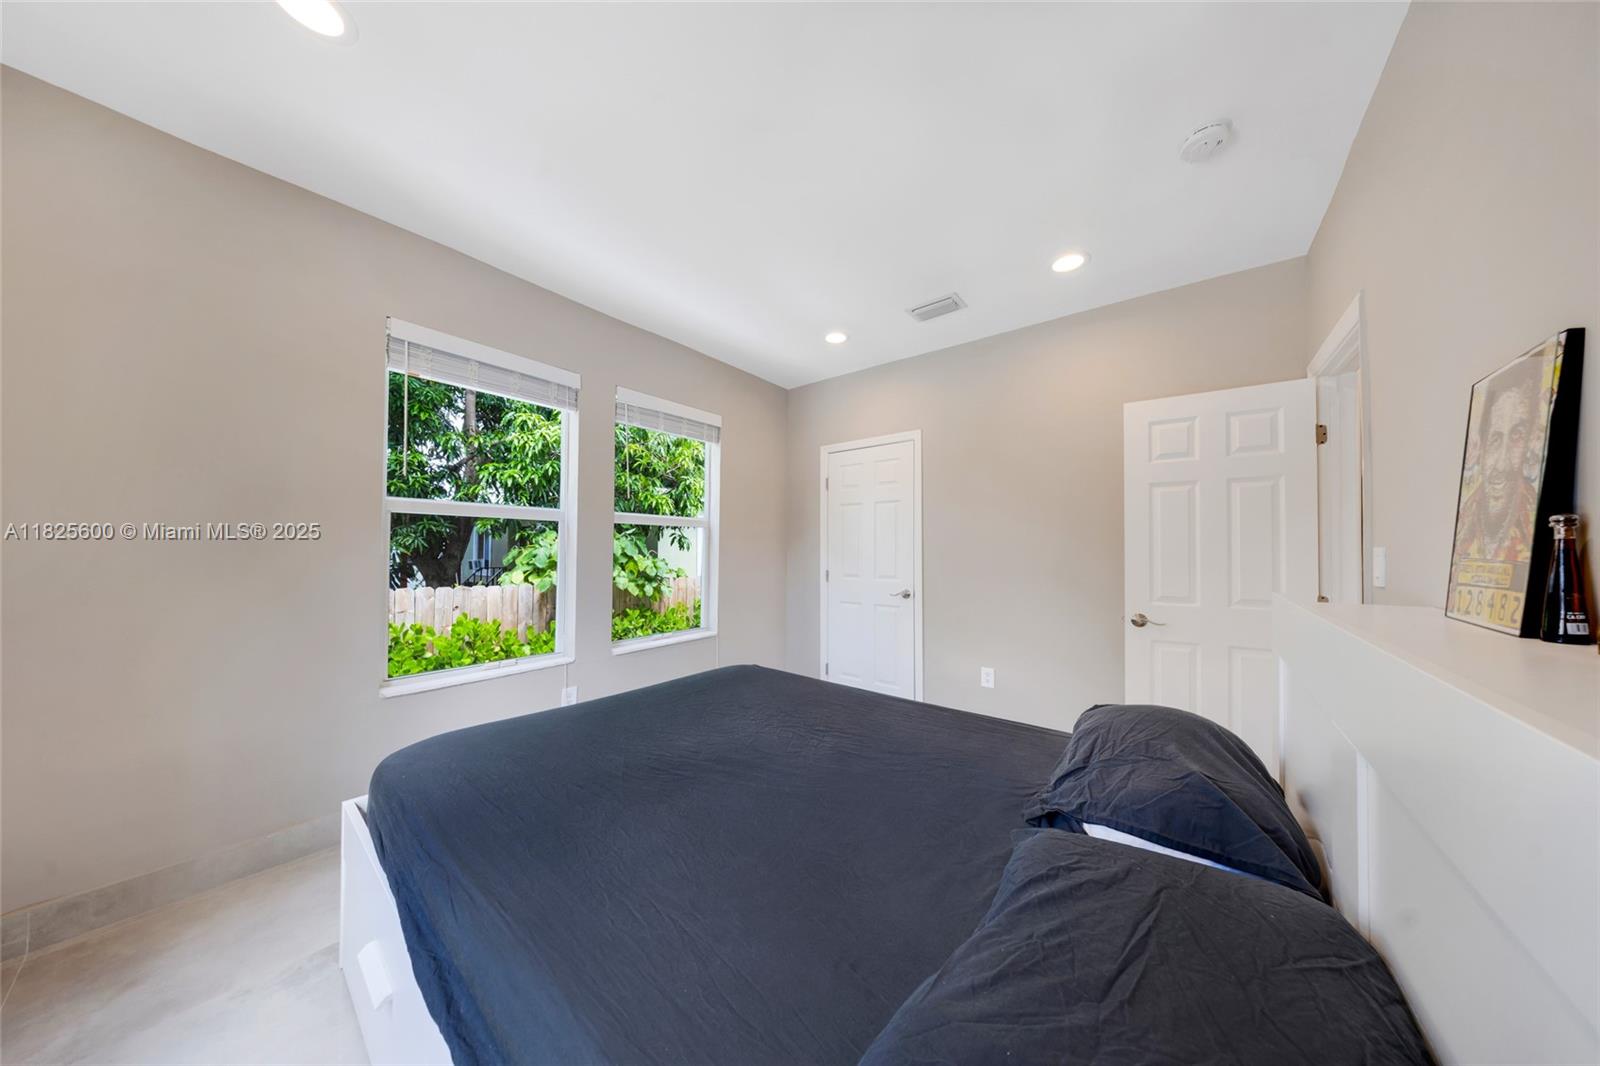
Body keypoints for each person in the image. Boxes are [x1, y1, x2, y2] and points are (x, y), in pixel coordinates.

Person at [1454, 356, 1547, 564]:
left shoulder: (1535, 523)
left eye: (1516, 436)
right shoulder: (1463, 525)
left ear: (1529, 440)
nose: (1502, 464)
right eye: (1495, 439)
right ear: (1482, 446)